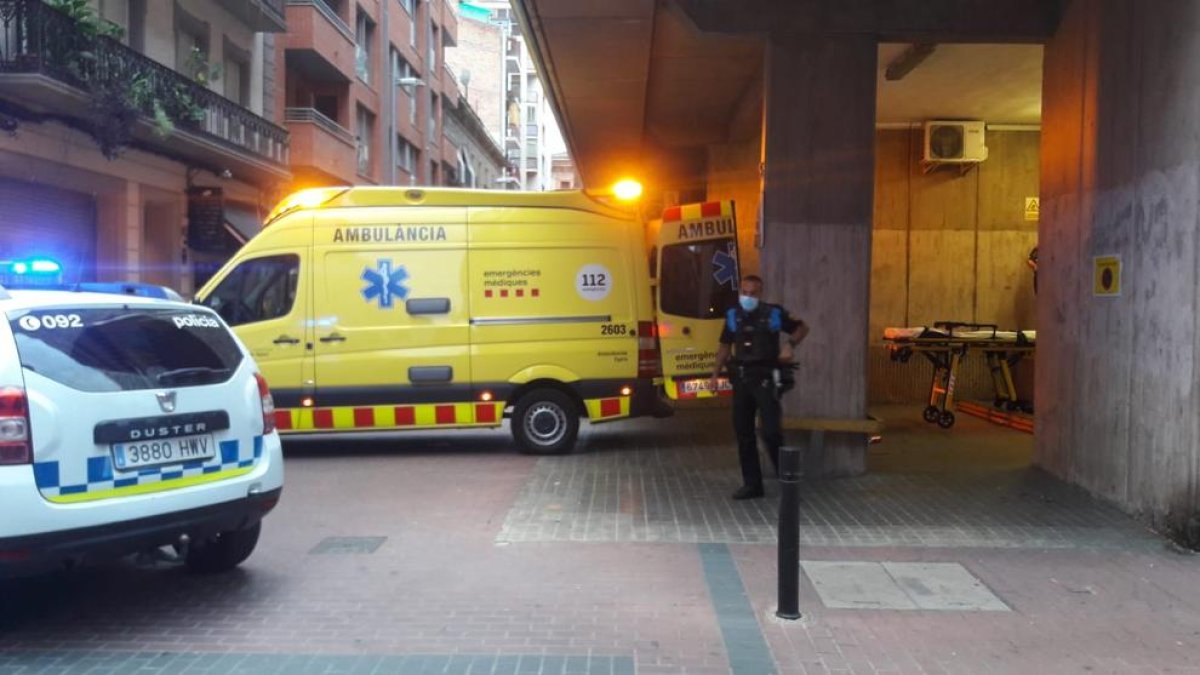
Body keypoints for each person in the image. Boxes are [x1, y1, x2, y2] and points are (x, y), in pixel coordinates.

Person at [709, 275, 809, 500]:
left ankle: (788, 481)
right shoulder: (733, 315)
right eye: (745, 292)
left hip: (765, 379)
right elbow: (725, 345)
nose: (748, 297)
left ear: (760, 293)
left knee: (772, 433)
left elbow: (802, 328)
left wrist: (789, 345)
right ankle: (752, 485)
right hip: (742, 380)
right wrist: (715, 375)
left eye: (753, 293)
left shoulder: (773, 313)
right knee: (743, 433)